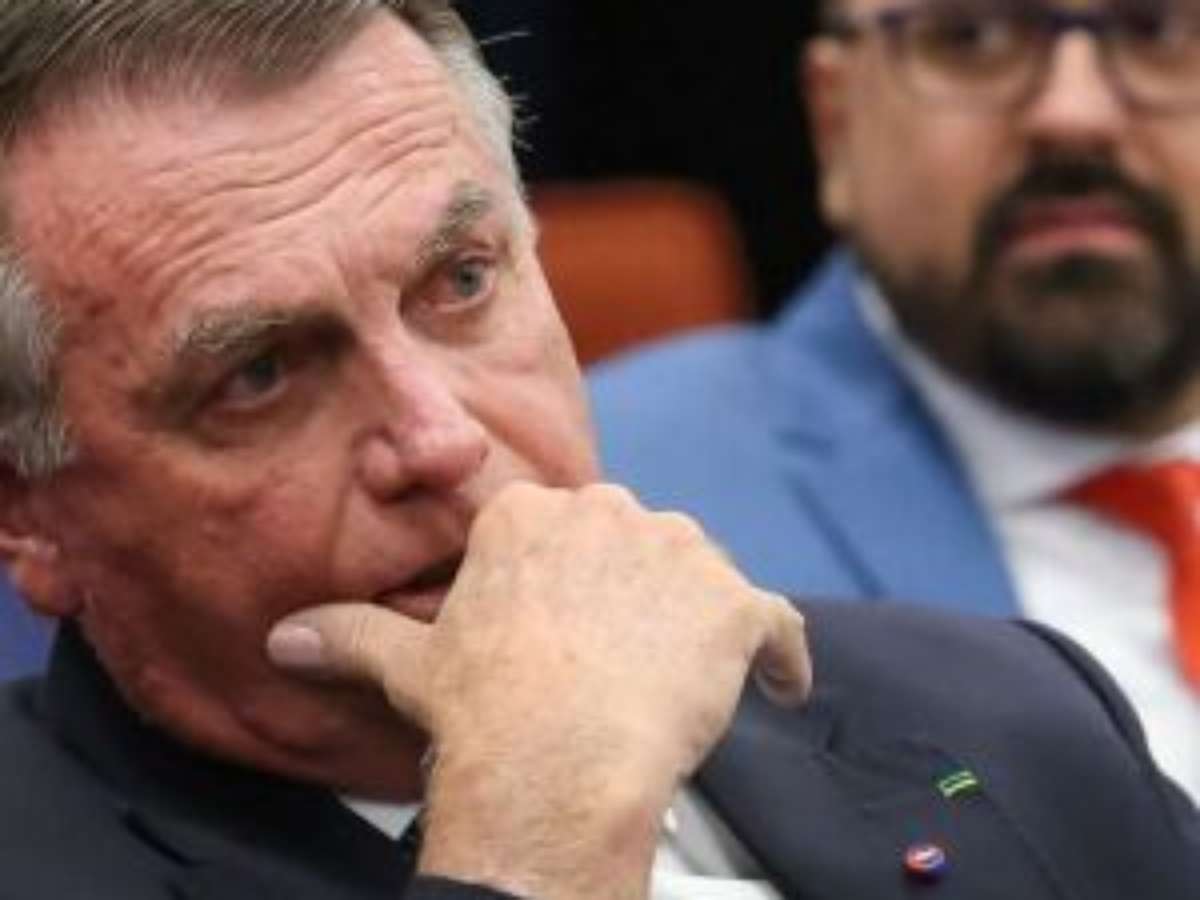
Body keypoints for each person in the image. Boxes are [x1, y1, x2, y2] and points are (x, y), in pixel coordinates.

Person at [0, 2, 1196, 899]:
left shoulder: (1007, 712)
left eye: (461, 283)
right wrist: (536, 842)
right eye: (260, 373)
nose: (440, 437)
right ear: (27, 510)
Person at [590, 0, 1200, 799]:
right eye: (971, 38)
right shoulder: (616, 503)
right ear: (836, 121)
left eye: (1160, 31)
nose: (1073, 114)